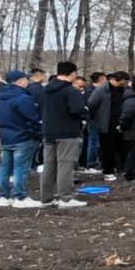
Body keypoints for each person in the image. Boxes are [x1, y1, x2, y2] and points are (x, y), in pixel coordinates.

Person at [36, 60, 90, 209]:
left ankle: (46, 198)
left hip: (48, 131)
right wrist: (85, 113)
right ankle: (66, 198)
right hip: (67, 132)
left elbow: (39, 107)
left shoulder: (45, 90)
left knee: (49, 166)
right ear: (72, 73)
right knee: (65, 165)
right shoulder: (71, 91)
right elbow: (77, 110)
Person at [0, 69, 43, 209]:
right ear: (21, 81)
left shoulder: (0, 97)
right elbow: (31, 119)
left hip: (6, 136)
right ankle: (20, 197)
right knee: (20, 168)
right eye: (25, 79)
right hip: (23, 137)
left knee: (4, 168)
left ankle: (3, 196)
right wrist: (37, 135)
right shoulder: (23, 98)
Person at [87, 72, 126, 182]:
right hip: (106, 122)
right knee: (108, 148)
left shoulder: (124, 89)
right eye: (120, 82)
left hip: (120, 122)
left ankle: (121, 167)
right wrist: (96, 119)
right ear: (113, 79)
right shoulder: (102, 90)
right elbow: (92, 104)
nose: (122, 84)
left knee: (122, 147)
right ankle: (108, 171)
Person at [81, 72, 106, 169]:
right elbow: (91, 106)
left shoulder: (95, 90)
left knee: (95, 143)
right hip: (93, 120)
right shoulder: (91, 91)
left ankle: (94, 161)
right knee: (93, 143)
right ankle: (91, 164)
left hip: (97, 120)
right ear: (101, 79)